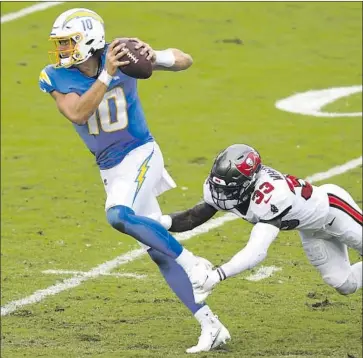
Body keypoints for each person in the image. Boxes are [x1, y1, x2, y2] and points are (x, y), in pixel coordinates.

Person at [38, 8, 230, 353]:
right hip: (110, 168)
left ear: (90, 41)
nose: (63, 51)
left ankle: (195, 264)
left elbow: (184, 60)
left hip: (141, 153)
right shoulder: (56, 76)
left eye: (69, 43)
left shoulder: (122, 55)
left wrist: (154, 55)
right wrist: (106, 76)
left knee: (117, 215)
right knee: (157, 251)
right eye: (61, 44)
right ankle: (210, 325)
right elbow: (78, 113)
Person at [160, 144, 362, 304]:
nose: (220, 194)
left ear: (249, 183)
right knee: (344, 284)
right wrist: (162, 222)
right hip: (311, 230)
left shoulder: (272, 195)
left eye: (229, 188)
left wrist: (217, 276)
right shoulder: (222, 188)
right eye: (217, 184)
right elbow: (194, 216)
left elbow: (256, 250)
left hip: (334, 211)